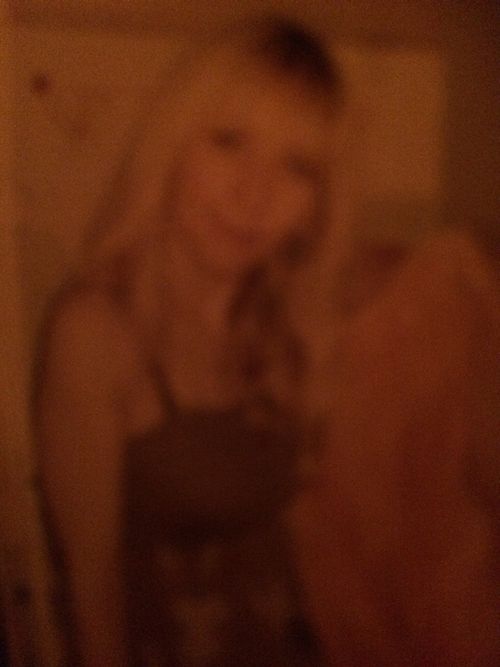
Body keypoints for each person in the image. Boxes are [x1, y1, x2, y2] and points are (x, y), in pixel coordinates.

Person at [33, 16, 344, 667]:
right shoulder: (95, 333)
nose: (254, 194)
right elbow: (92, 599)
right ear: (172, 147)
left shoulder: (288, 329)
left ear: (316, 206)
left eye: (296, 167)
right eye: (229, 142)